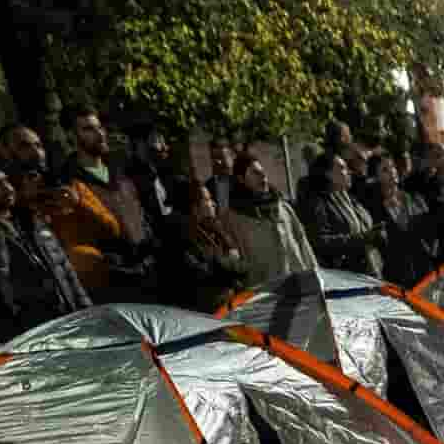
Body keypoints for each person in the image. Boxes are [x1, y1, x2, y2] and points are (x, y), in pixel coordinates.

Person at [0, 155, 89, 339]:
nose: (7, 188)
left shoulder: (29, 218)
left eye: (6, 181)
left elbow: (65, 269)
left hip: (69, 322)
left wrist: (87, 310)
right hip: (25, 337)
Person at [46, 105, 145, 294]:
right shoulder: (67, 180)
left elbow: (138, 210)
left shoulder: (120, 167)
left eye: (99, 127)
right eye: (88, 129)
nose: (100, 134)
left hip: (146, 264)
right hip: (113, 277)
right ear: (72, 137)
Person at [224, 151, 318, 286]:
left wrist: (315, 275)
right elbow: (236, 261)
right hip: (265, 290)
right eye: (255, 173)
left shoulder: (282, 207)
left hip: (298, 284)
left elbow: (302, 241)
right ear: (241, 179)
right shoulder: (234, 218)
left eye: (262, 171)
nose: (263, 176)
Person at [159, 178, 251, 313]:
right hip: (207, 314)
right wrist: (227, 265)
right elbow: (205, 276)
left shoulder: (215, 229)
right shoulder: (180, 237)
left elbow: (242, 266)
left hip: (230, 306)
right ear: (194, 206)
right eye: (207, 200)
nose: (213, 203)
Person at [297, 150, 383, 275]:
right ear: (327, 174)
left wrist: (376, 233)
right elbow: (320, 242)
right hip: (345, 276)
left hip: (369, 271)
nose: (349, 172)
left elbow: (364, 227)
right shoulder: (316, 203)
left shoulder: (347, 197)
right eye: (342, 168)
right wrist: (363, 239)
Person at [363, 156, 439, 288]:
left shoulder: (413, 198)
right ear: (376, 177)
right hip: (396, 276)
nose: (392, 172)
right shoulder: (373, 209)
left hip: (424, 270)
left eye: (392, 167)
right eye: (385, 170)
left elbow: (430, 230)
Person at [123, 124, 174, 237]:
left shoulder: (164, 175)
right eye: (159, 141)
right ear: (140, 145)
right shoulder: (129, 183)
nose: (165, 147)